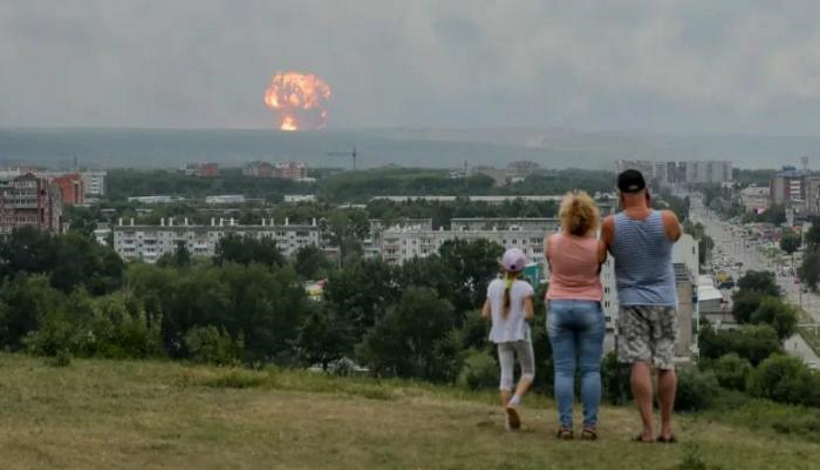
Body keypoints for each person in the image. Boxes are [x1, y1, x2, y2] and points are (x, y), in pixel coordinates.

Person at [601, 169, 682, 443]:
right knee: (666, 363)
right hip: (665, 301)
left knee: (640, 362)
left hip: (631, 301)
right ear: (646, 192)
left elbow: (605, 253)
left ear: (621, 195)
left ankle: (647, 430)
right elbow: (676, 236)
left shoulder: (611, 225)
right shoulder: (667, 218)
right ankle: (667, 428)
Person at [544, 191, 607, 440]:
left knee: (564, 371)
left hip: (558, 306)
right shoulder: (597, 246)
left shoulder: (553, 242)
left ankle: (565, 425)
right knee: (591, 370)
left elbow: (551, 267)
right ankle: (589, 426)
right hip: (589, 306)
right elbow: (598, 269)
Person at [482, 248, 535, 430]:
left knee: (506, 378)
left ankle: (508, 423)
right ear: (521, 270)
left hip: (500, 336)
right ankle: (515, 402)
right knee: (528, 372)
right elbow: (529, 315)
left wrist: (499, 318)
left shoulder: (493, 286)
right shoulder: (525, 288)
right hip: (520, 335)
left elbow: (485, 313)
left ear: (503, 267)